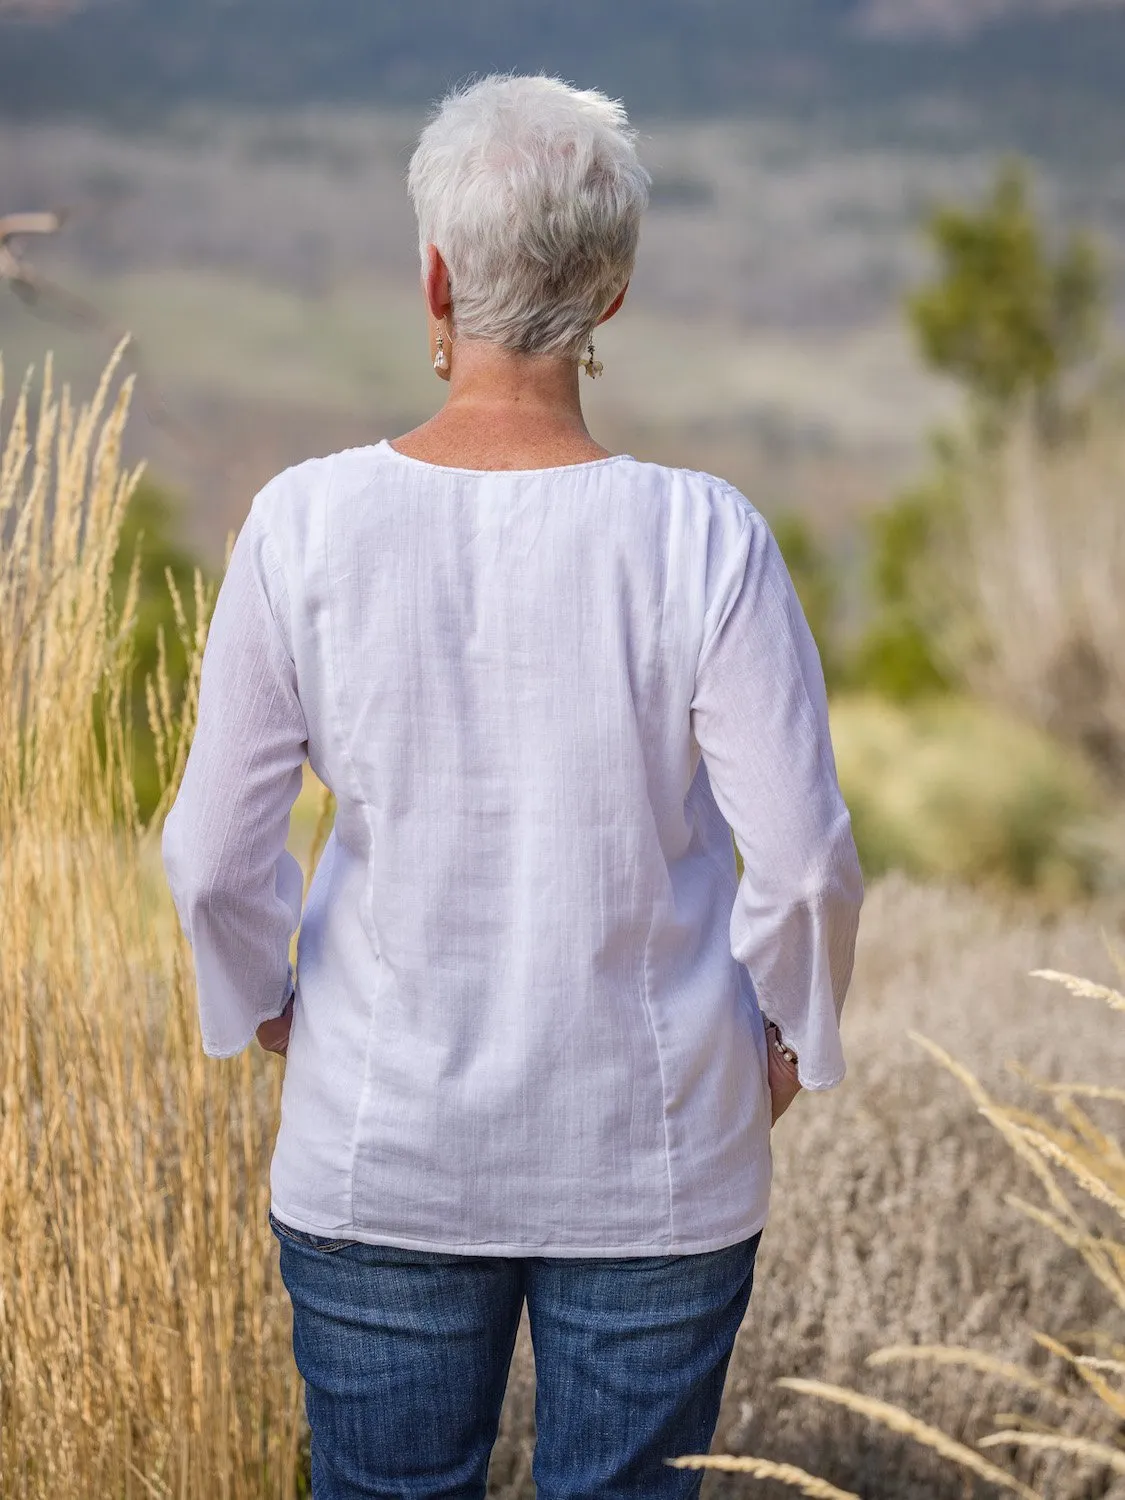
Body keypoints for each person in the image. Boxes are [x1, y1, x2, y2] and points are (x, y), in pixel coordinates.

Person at [161, 72, 864, 1500]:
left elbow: (213, 861)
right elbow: (803, 864)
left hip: (381, 1146)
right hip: (659, 1152)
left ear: (435, 274)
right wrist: (787, 1035)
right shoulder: (706, 539)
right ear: (611, 295)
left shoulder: (302, 524)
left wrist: (274, 1006)